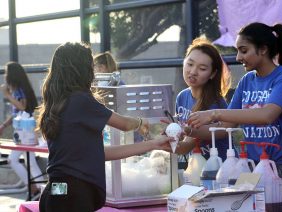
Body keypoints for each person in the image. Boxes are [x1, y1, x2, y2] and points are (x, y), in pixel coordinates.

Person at [37, 42, 172, 212]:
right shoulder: (80, 101)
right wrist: (141, 122)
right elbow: (124, 124)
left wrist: (153, 144)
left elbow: (100, 153)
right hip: (74, 196)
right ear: (83, 70)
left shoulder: (56, 104)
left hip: (56, 191)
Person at [187, 22, 282, 211]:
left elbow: (266, 115)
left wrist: (213, 113)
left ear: (263, 49)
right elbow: (226, 126)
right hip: (251, 168)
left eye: (244, 50)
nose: (238, 57)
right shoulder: (247, 80)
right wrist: (189, 129)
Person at [175, 37, 233, 162]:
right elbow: (181, 141)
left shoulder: (216, 104)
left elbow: (186, 146)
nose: (193, 72)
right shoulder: (182, 97)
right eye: (190, 64)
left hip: (220, 169)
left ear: (212, 74)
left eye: (202, 69)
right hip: (197, 166)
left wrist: (160, 141)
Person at [0, 62, 44, 197]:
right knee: (30, 162)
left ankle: (35, 189)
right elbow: (16, 113)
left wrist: (7, 95)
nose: (5, 77)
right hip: (24, 130)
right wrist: (4, 126)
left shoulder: (19, 90)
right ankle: (39, 190)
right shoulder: (19, 89)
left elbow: (23, 107)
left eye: (7, 73)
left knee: (13, 159)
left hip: (25, 131)